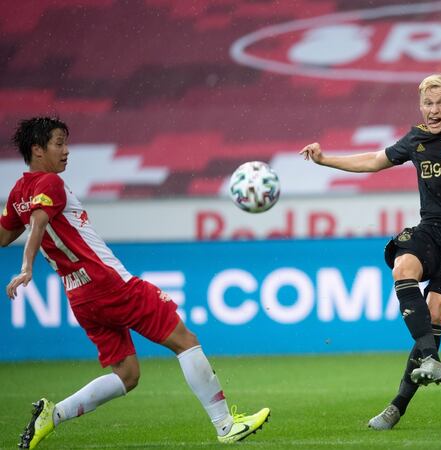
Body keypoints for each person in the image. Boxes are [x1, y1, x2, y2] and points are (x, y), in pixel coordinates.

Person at [1, 117, 271, 448]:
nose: (67, 151)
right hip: (108, 284)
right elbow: (39, 223)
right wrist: (27, 266)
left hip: (80, 297)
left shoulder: (18, 193)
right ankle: (226, 425)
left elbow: (4, 236)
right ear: (37, 150)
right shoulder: (50, 184)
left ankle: (52, 415)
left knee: (127, 375)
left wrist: (27, 248)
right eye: (59, 143)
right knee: (184, 340)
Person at [300, 74, 441, 430]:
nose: (434, 110)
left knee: (436, 313)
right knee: (403, 266)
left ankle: (396, 407)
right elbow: (375, 161)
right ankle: (431, 358)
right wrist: (325, 160)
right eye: (428, 104)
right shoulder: (416, 138)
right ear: (421, 106)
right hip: (431, 228)